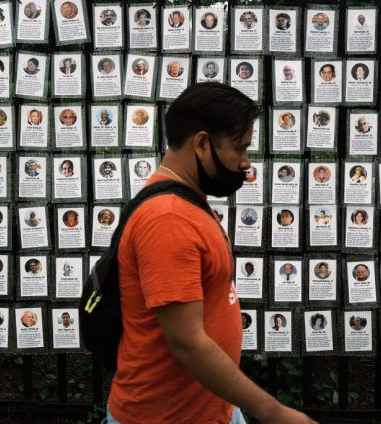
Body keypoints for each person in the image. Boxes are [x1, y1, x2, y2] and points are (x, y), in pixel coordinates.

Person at [107, 83, 315, 423]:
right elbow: (186, 341)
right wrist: (273, 413)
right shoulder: (168, 218)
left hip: (212, 408)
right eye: (240, 148)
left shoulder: (187, 201)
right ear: (202, 144)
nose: (246, 162)